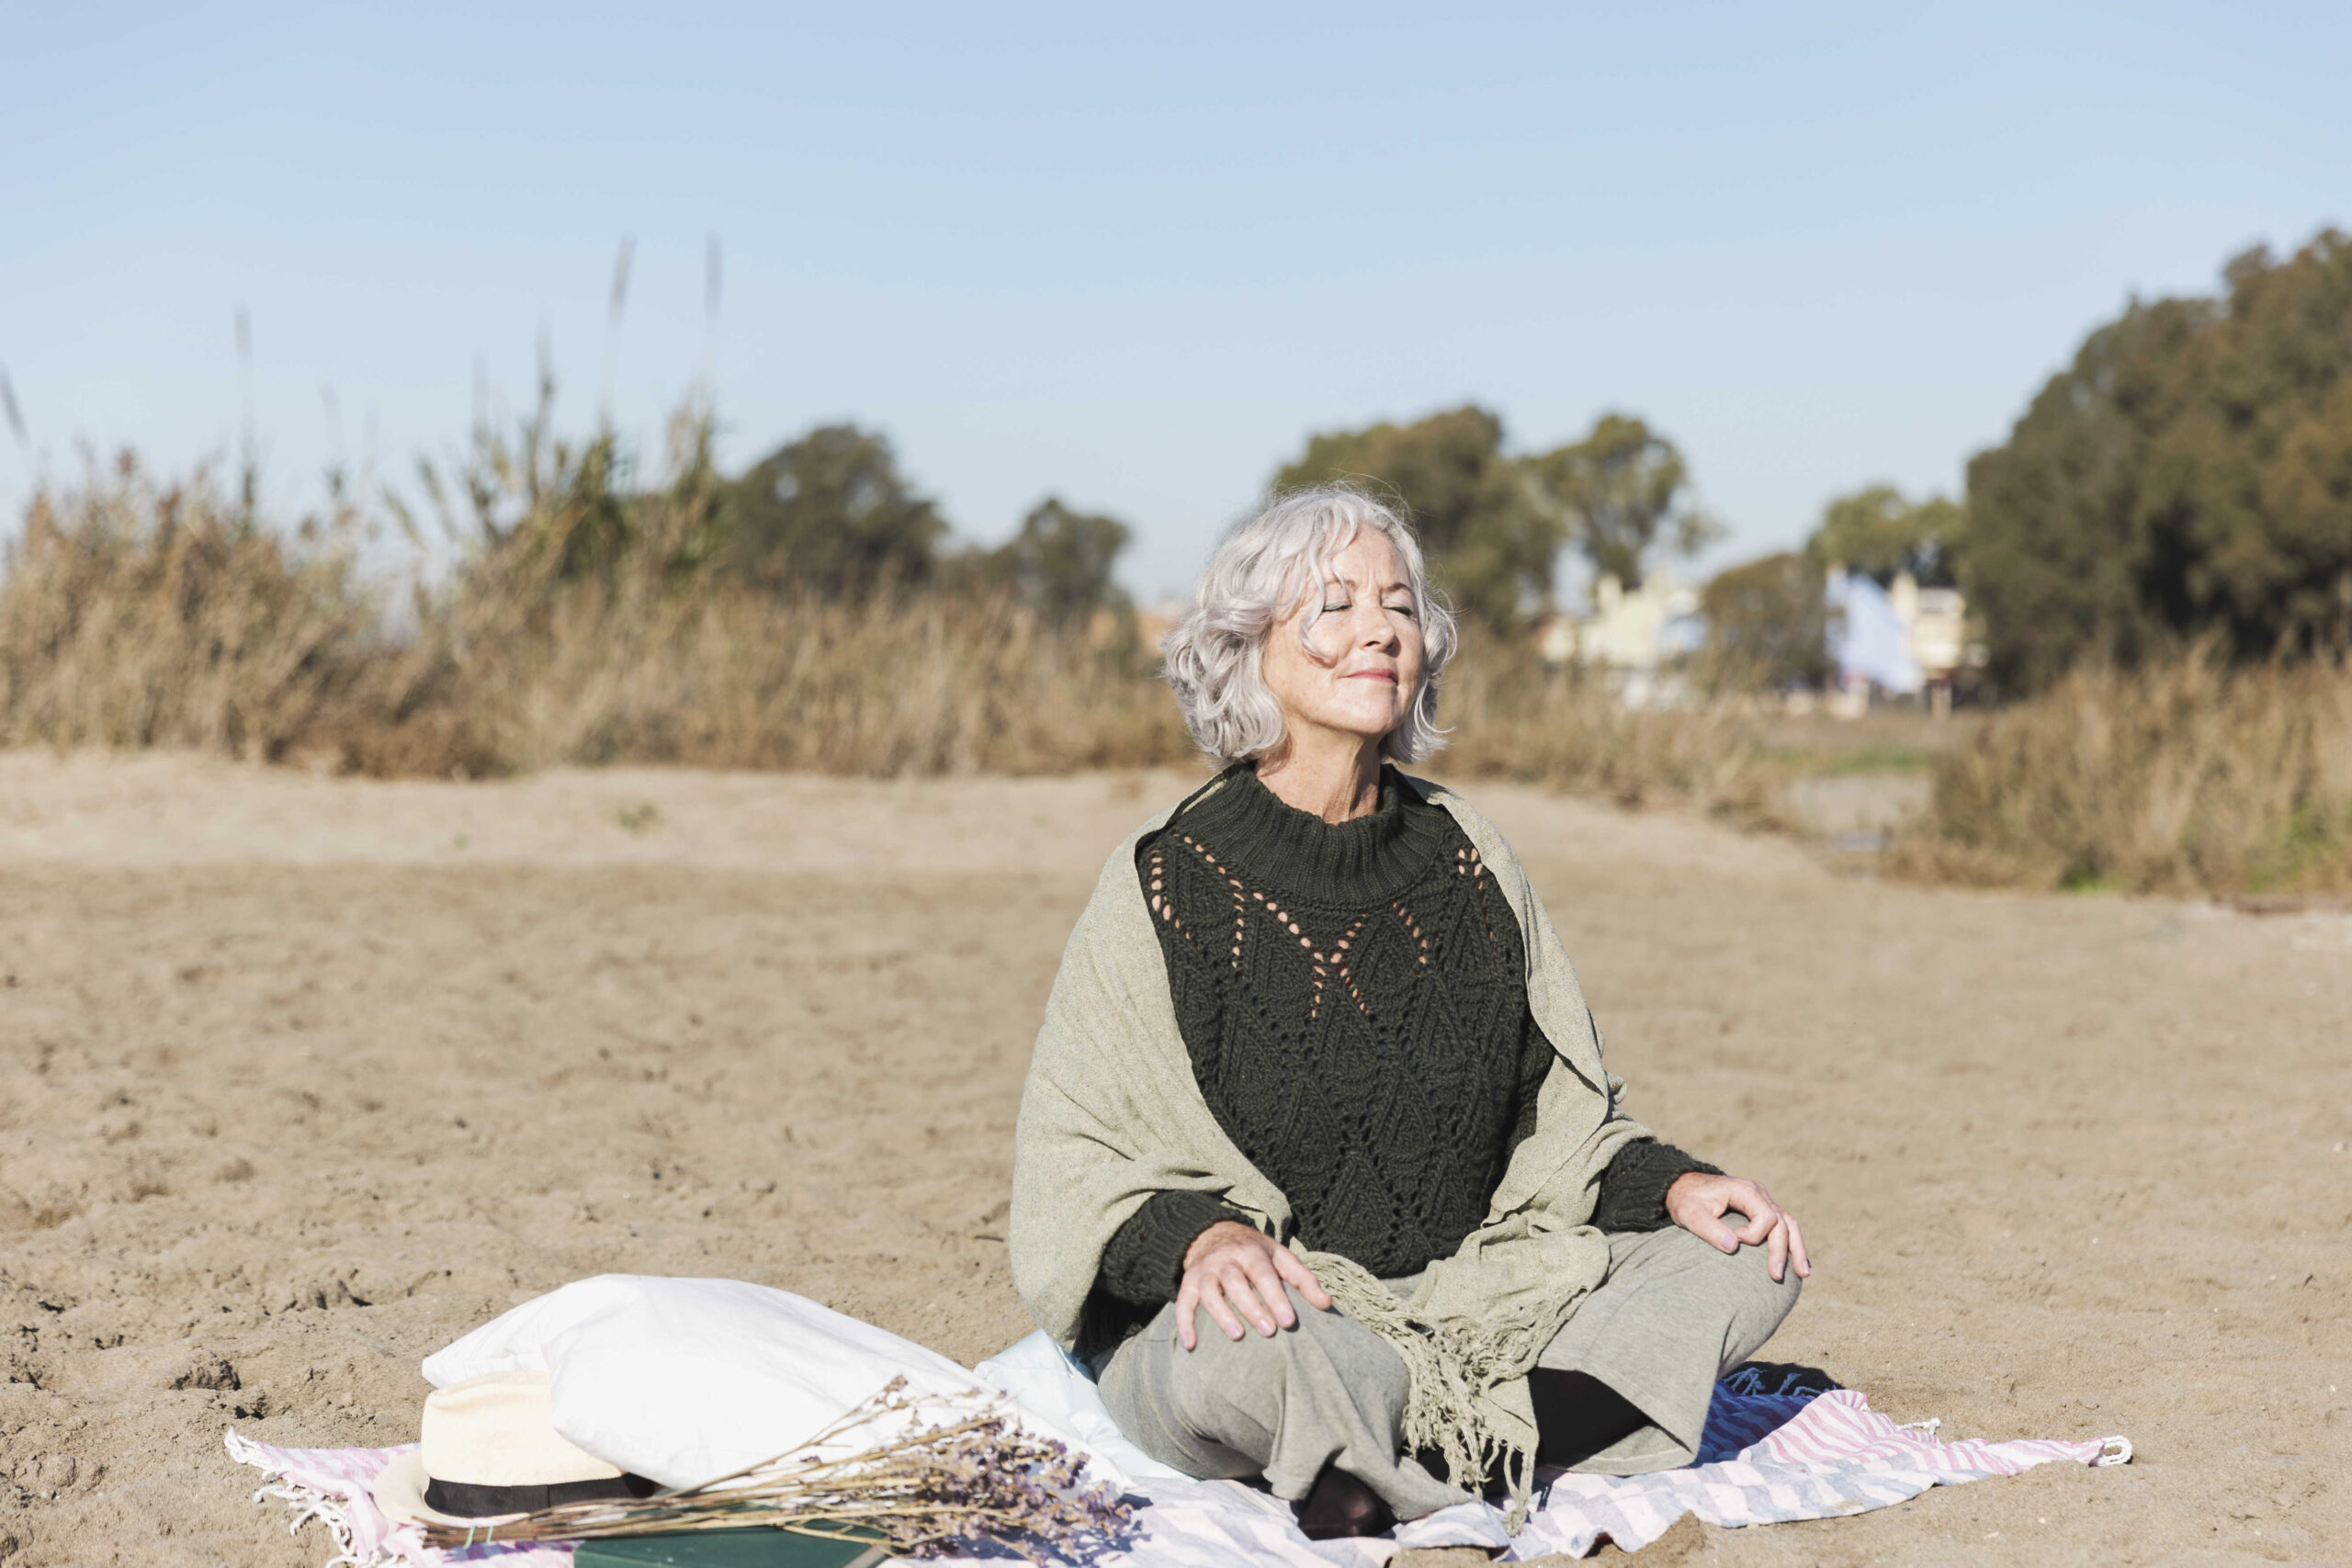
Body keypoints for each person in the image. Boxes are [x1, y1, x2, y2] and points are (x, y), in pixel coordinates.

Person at [1009, 488, 1809, 1540]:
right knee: (1262, 1351)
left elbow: (1554, 1119)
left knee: (1746, 1253)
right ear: (1248, 645)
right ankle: (1471, 1453)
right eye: (1332, 605)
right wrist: (1199, 1239)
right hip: (1303, 1316)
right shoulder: (1165, 878)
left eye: (1397, 604)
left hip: (1483, 1300)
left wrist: (1677, 1184)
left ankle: (1421, 1464)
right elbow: (1077, 1162)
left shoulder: (1468, 859)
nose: (1378, 629)